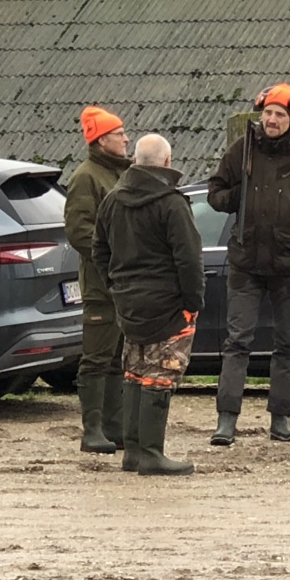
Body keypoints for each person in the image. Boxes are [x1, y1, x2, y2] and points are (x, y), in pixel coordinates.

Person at [206, 83, 290, 446]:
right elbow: (214, 193)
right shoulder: (242, 149)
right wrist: (237, 197)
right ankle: (226, 420)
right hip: (245, 263)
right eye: (267, 113)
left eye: (279, 114)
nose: (272, 120)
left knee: (288, 344)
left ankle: (281, 420)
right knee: (237, 341)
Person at [92, 134, 205, 476]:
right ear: (167, 162)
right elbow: (188, 258)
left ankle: (133, 452)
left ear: (136, 161)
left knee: (134, 371)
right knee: (161, 373)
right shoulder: (171, 203)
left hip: (129, 303)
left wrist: (116, 287)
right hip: (167, 304)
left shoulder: (113, 200)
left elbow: (99, 250)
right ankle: (152, 454)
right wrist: (193, 301)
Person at [65, 105, 132, 454]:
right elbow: (79, 232)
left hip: (122, 283)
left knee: (117, 358)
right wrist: (114, 257)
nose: (126, 139)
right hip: (100, 285)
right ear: (102, 140)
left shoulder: (123, 174)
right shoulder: (85, 177)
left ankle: (114, 427)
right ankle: (91, 430)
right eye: (119, 134)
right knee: (96, 358)